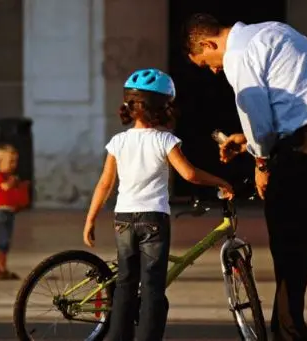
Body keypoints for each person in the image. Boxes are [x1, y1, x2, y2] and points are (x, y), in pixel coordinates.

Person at [184, 14, 307, 341]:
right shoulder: (274, 31)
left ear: (209, 44)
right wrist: (247, 139)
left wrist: (261, 162)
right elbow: (297, 100)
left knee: (291, 247)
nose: (213, 70)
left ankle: (289, 334)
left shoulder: (239, 56)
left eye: (206, 63)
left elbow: (261, 120)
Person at [82, 68, 234, 341]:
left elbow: (105, 184)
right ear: (163, 108)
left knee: (126, 284)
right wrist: (220, 181)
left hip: (123, 219)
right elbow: (189, 174)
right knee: (152, 287)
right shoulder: (165, 140)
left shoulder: (118, 142)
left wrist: (90, 219)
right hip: (153, 219)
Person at [0, 144, 30, 280]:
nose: (14, 165)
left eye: (15, 161)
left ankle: (3, 268)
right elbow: (4, 188)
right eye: (10, 161)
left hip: (10, 213)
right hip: (0, 213)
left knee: (6, 242)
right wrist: (12, 183)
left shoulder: (11, 177)